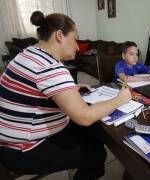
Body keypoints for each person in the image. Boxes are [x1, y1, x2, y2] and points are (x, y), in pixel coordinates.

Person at [0, 11, 131, 180]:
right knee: (95, 154)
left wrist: (70, 88)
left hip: (9, 136)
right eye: (75, 39)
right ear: (60, 35)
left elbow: (36, 87)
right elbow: (84, 116)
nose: (77, 46)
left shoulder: (27, 53)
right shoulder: (51, 67)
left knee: (94, 132)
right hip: (22, 149)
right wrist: (120, 98)